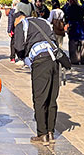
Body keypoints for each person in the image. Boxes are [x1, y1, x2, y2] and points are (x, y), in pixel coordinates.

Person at [12, 12, 72, 146]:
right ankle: (51, 132)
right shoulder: (43, 21)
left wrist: (24, 57)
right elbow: (54, 41)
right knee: (51, 98)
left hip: (40, 62)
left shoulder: (22, 25)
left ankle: (42, 134)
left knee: (39, 99)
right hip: (54, 61)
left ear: (17, 19)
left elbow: (19, 47)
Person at [63, 0, 84, 65]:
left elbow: (65, 12)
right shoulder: (80, 8)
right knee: (83, 43)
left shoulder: (68, 9)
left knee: (73, 44)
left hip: (73, 27)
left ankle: (75, 59)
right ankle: (83, 59)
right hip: (80, 27)